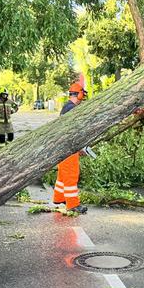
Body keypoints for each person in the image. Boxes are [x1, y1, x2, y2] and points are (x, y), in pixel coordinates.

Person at [52, 82, 88, 214]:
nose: (82, 99)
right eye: (82, 96)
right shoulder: (72, 109)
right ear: (78, 95)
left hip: (61, 146)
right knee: (71, 175)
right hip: (69, 147)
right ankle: (73, 204)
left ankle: (59, 198)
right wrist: (80, 147)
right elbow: (74, 132)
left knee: (62, 174)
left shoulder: (66, 107)